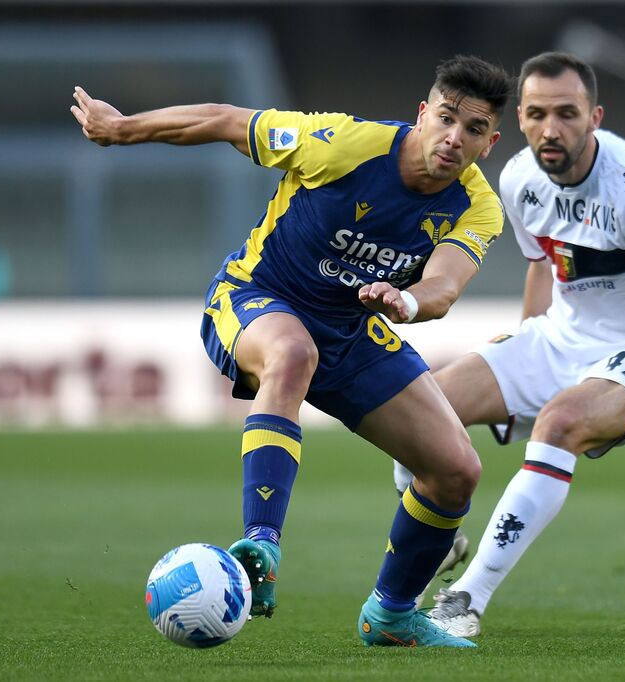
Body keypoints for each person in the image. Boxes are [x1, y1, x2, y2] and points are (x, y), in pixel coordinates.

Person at [70, 55, 511, 648]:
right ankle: (262, 544)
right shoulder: (344, 144)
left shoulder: (478, 205)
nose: (456, 138)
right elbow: (227, 120)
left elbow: (445, 285)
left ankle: (392, 615)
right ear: (423, 114)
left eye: (475, 129)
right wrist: (122, 129)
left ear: (490, 142)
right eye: (448, 119)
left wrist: (405, 303)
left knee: (456, 471)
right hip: (256, 296)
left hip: (352, 331)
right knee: (293, 355)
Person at [393, 52, 625, 636]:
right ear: (520, 119)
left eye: (567, 113)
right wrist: (523, 341)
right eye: (536, 114)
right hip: (557, 337)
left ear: (595, 117)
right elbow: (543, 263)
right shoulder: (517, 178)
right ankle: (441, 534)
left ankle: (467, 599)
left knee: (560, 421)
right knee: (413, 407)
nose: (551, 128)